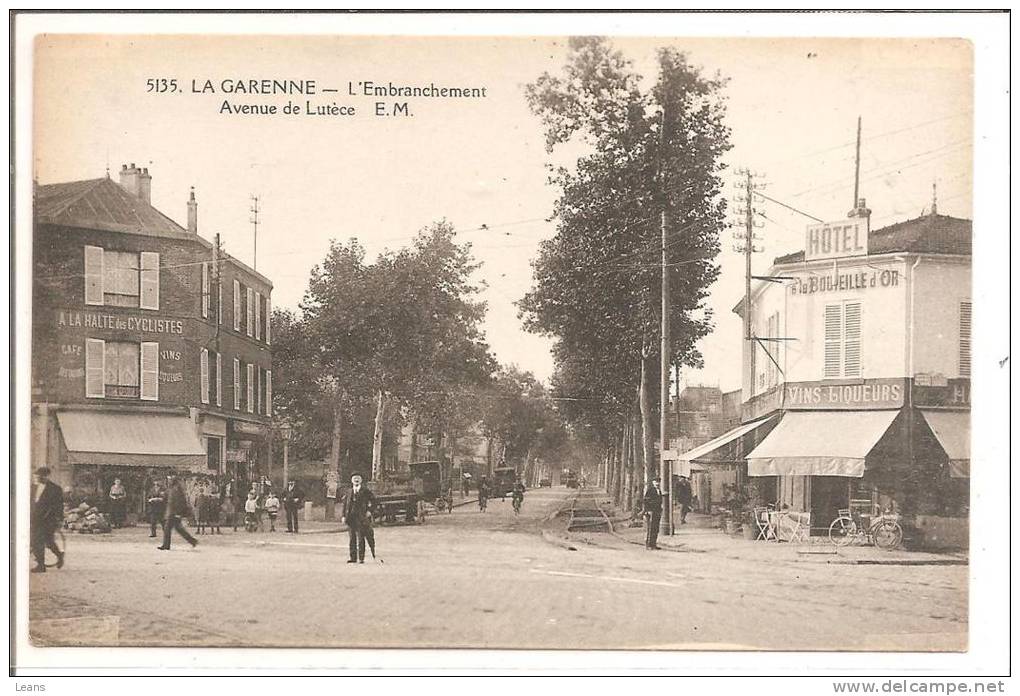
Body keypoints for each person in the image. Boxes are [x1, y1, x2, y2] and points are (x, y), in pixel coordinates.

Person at [31, 467, 64, 573]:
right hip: (35, 519)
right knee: (36, 541)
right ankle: (41, 565)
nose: (37, 477)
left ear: (46, 476)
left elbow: (59, 506)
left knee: (48, 542)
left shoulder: (55, 489)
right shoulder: (32, 487)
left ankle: (59, 556)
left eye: (39, 475)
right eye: (36, 475)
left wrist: (59, 520)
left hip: (49, 520)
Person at [340, 473, 376, 564]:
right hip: (351, 518)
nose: (356, 480)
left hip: (361, 518)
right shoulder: (349, 491)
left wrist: (369, 511)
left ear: (361, 480)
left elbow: (374, 501)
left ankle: (361, 558)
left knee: (361, 538)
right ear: (351, 480)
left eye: (358, 478)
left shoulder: (365, 491)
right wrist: (343, 516)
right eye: (354, 478)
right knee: (352, 538)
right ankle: (353, 557)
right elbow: (345, 505)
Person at [158, 475, 198, 550]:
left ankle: (166, 545)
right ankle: (192, 541)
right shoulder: (171, 489)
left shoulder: (177, 490)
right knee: (179, 529)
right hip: (171, 512)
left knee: (167, 528)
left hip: (174, 513)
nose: (168, 481)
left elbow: (180, 502)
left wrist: (179, 513)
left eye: (170, 480)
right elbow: (166, 498)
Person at [642, 477, 663, 550]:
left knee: (656, 528)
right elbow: (646, 501)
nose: (657, 483)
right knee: (650, 528)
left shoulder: (659, 491)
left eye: (658, 482)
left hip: (657, 512)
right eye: (655, 482)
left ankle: (654, 544)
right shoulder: (650, 490)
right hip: (651, 512)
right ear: (653, 483)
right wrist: (648, 510)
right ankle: (648, 544)